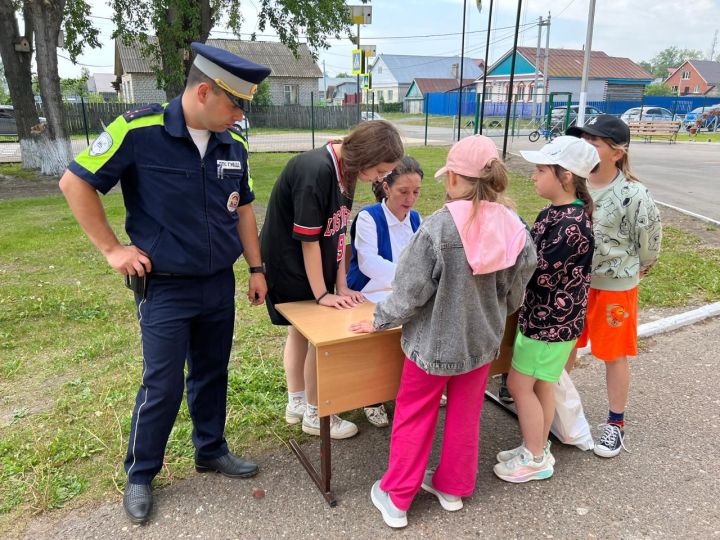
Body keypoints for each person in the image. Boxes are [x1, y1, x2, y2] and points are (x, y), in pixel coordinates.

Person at [58, 42, 271, 524]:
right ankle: (141, 474)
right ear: (203, 92)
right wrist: (114, 250)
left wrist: (256, 269)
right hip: (166, 288)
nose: (239, 116)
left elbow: (242, 208)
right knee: (162, 384)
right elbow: (76, 183)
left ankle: (210, 449)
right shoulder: (138, 130)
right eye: (235, 104)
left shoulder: (231, 146)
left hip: (218, 283)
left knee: (213, 372)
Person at [350, 135, 537, 528]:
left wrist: (379, 318)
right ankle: (453, 487)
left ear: (452, 177)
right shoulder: (515, 225)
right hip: (481, 341)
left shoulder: (437, 228)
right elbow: (517, 288)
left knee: (414, 415)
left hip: (432, 345)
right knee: (466, 415)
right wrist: (495, 309)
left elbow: (410, 293)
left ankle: (397, 497)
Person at [260, 120, 404, 440]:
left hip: (315, 266)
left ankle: (297, 403)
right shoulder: (317, 171)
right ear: (365, 156)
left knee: (301, 333)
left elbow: (339, 232)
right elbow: (308, 241)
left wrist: (341, 284)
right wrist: (323, 294)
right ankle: (314, 412)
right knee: (314, 333)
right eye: (380, 170)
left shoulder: (347, 171)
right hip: (291, 263)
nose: (381, 179)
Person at [493, 136, 598, 483]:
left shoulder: (571, 225)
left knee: (520, 385)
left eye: (541, 170)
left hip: (549, 324)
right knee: (541, 386)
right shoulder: (558, 213)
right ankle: (535, 443)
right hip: (546, 321)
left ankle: (535, 457)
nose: (534, 176)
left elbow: (537, 271)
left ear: (566, 176)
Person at [565, 115, 662, 458]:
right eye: (584, 139)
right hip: (573, 283)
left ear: (616, 153)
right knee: (565, 348)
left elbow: (649, 242)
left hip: (614, 288)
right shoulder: (573, 185)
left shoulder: (633, 194)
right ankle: (560, 413)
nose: (586, 146)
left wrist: (636, 270)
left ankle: (614, 424)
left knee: (613, 354)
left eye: (595, 142)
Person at [346, 156, 424, 427]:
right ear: (387, 187)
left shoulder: (416, 219)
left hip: (400, 290)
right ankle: (372, 397)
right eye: (403, 191)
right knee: (379, 336)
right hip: (369, 291)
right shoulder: (369, 217)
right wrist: (410, 279)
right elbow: (369, 263)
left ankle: (418, 383)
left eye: (416, 192)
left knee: (421, 324)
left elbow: (422, 259)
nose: (410, 198)